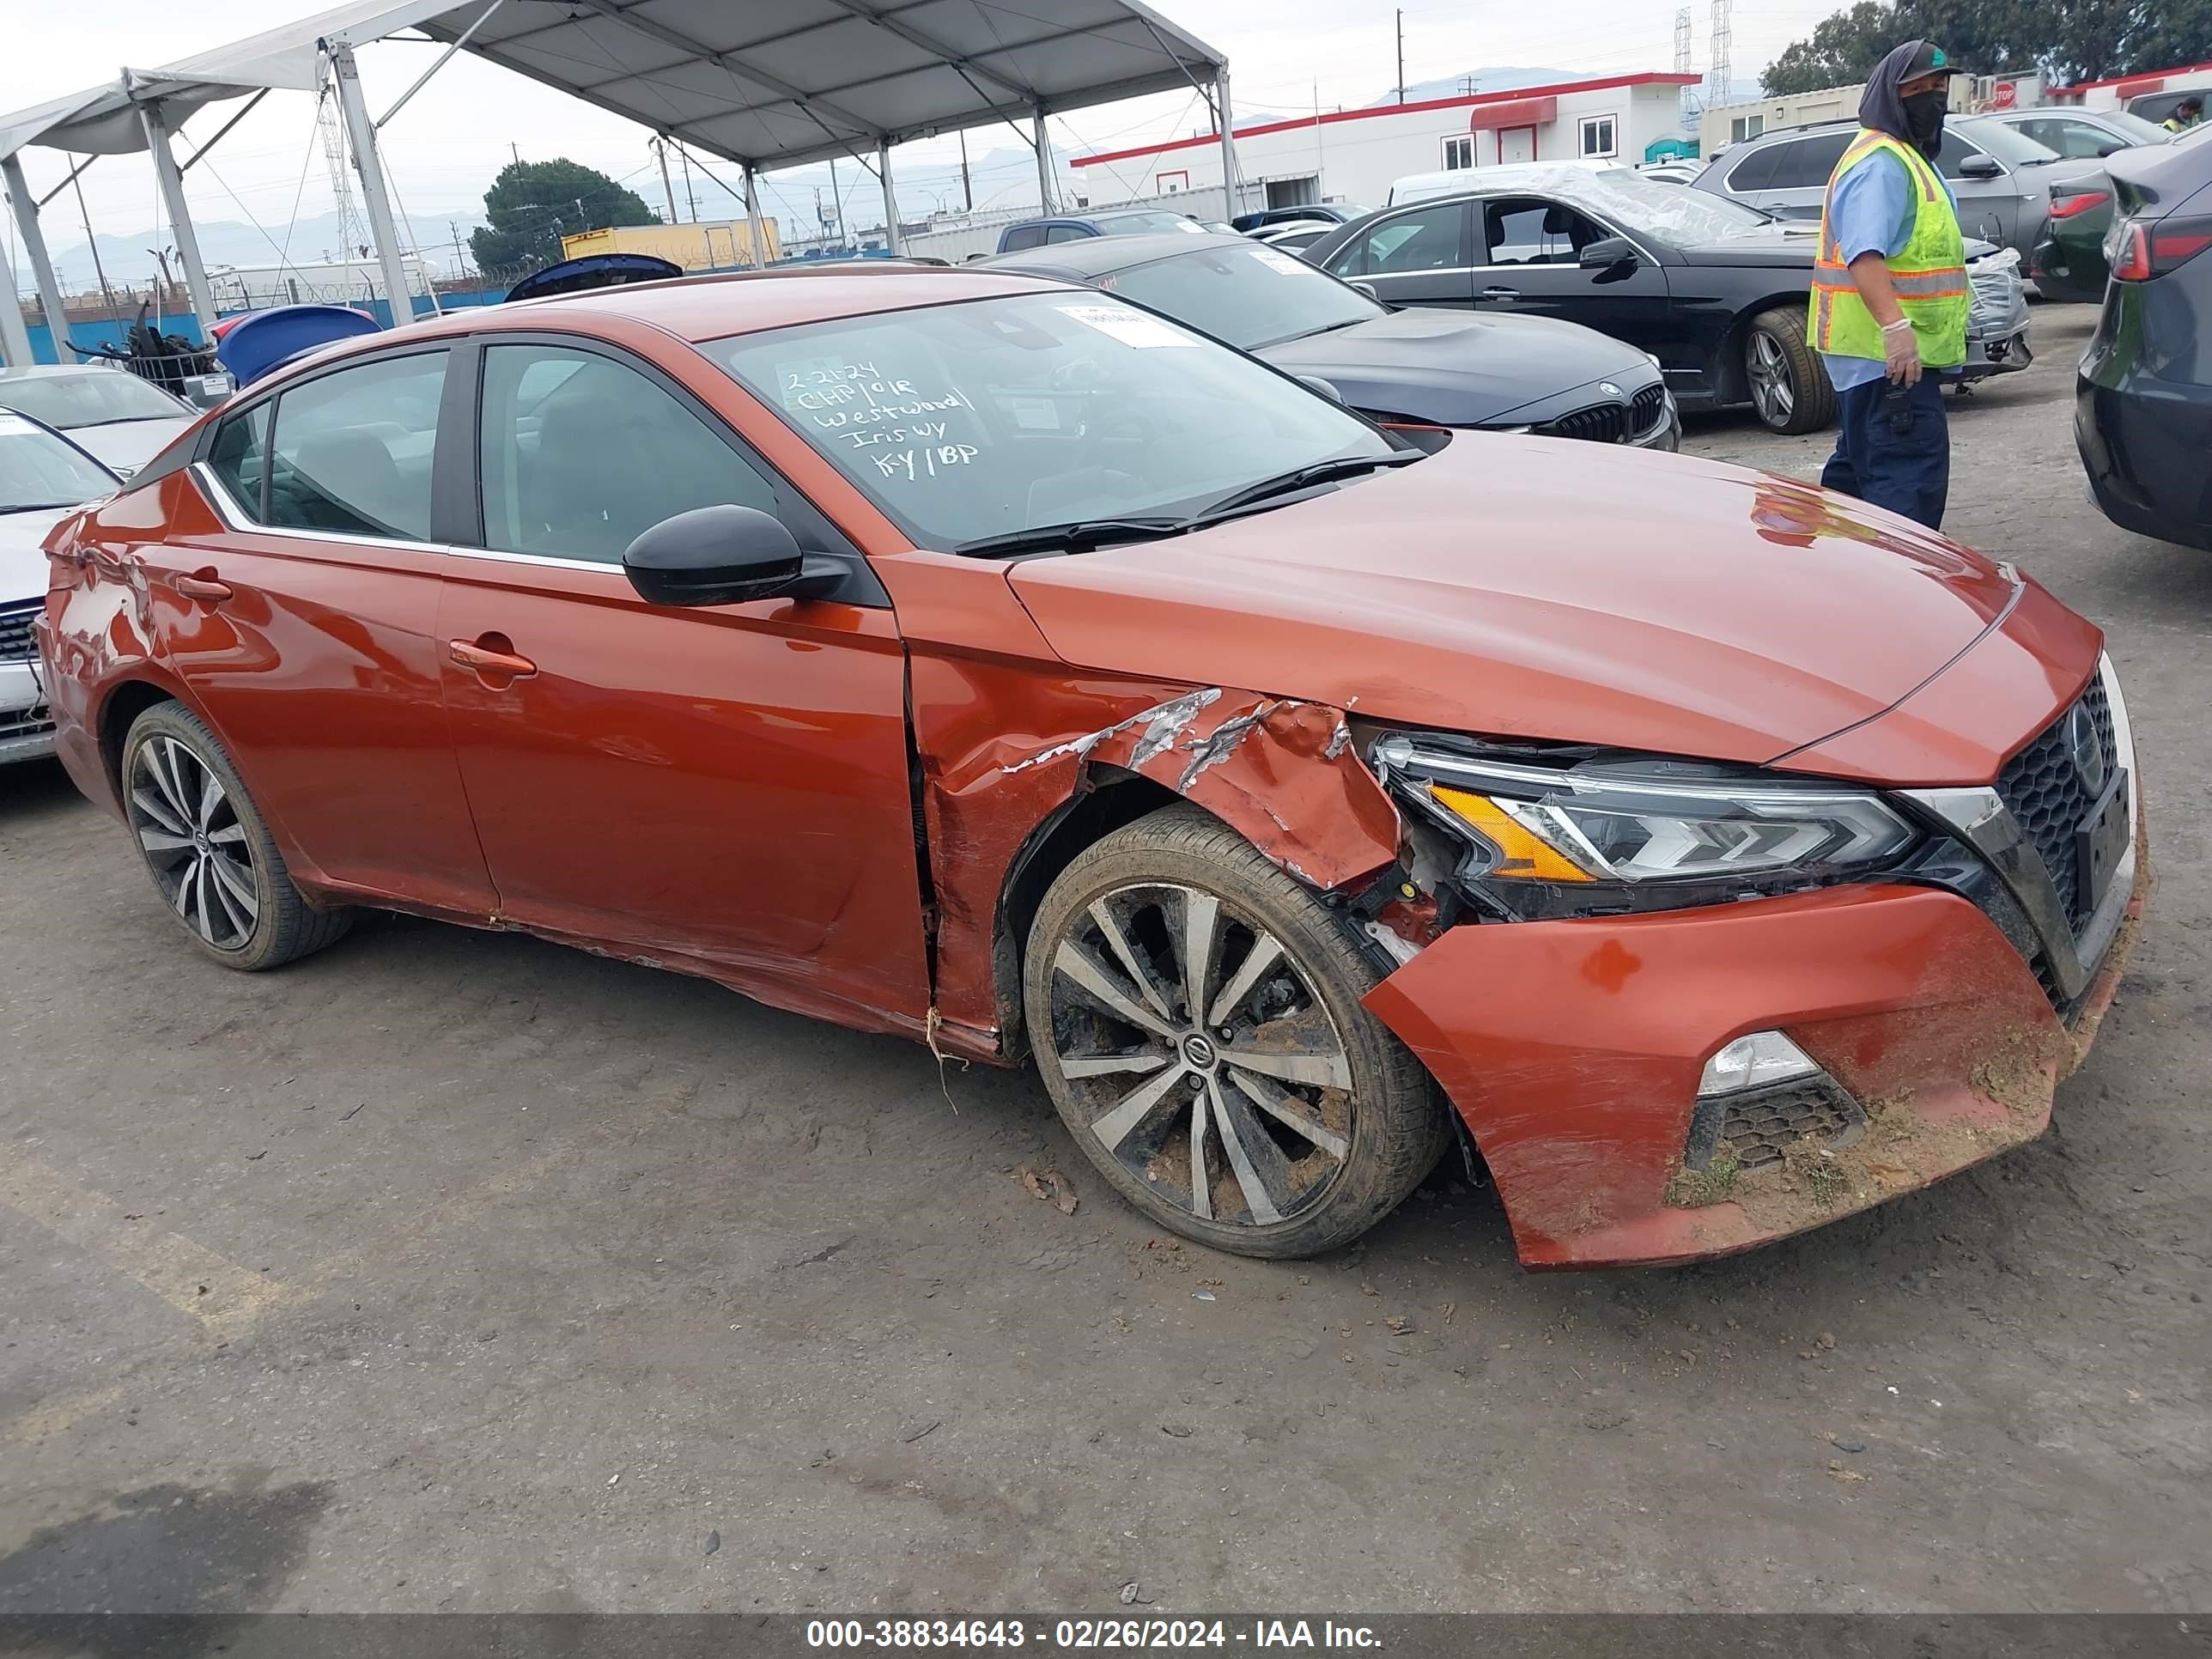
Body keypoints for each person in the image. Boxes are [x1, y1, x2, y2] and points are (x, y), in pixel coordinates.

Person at [1808, 40, 1970, 530]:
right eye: (1918, 89)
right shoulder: (1881, 162)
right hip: (1889, 363)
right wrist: (1897, 328)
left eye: (1939, 86)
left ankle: (1833, 589)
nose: (1933, 98)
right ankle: (1899, 600)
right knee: (1906, 499)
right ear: (1889, 95)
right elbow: (1864, 253)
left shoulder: (1906, 156)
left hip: (1884, 364)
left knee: (1855, 490)